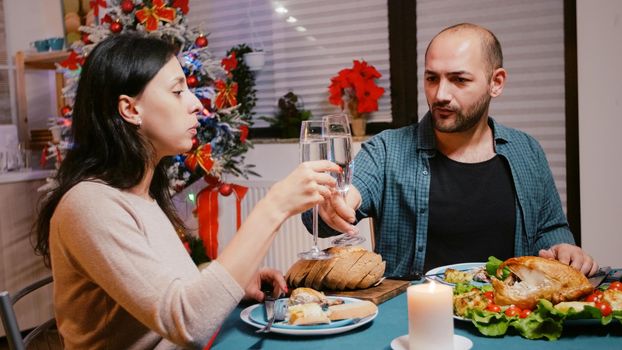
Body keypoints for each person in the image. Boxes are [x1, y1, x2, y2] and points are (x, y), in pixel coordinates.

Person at [33, 33, 339, 349]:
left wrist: (231, 284)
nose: (196, 104)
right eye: (178, 91)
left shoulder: (140, 193)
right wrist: (275, 205)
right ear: (130, 109)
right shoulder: (89, 205)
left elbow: (165, 289)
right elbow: (189, 323)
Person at [307, 23, 598, 278]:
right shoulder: (386, 150)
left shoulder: (527, 150)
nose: (440, 95)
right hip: (416, 319)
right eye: (432, 78)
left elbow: (550, 228)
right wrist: (334, 206)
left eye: (459, 80)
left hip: (504, 314)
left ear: (496, 83)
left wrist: (564, 247)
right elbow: (323, 216)